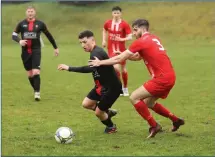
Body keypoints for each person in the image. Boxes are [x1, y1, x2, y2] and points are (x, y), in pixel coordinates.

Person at [89, 19, 185, 138]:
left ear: (138, 29)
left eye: (134, 31)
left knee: (134, 97)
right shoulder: (154, 38)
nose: (133, 34)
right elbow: (138, 57)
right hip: (170, 76)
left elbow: (118, 60)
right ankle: (176, 120)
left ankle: (154, 126)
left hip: (161, 78)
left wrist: (100, 62)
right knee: (148, 102)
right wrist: (125, 54)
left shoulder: (141, 41)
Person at [58, 30, 122, 134]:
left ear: (92, 40)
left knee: (98, 113)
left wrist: (69, 68)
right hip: (101, 86)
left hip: (112, 88)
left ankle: (111, 126)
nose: (83, 45)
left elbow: (88, 69)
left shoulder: (96, 53)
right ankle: (107, 112)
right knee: (86, 104)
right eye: (81, 43)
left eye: (84, 42)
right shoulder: (95, 51)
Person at [12, 6, 59, 101]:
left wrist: (55, 47)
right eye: (28, 11)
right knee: (30, 74)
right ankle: (36, 89)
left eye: (32, 11)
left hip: (36, 50)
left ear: (35, 13)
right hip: (25, 52)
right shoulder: (21, 24)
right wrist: (19, 41)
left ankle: (37, 93)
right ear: (26, 13)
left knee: (36, 72)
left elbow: (49, 35)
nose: (30, 13)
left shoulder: (40, 24)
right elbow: (14, 35)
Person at [102, 6, 132, 96]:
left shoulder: (124, 24)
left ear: (120, 14)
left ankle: (125, 88)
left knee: (123, 70)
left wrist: (121, 39)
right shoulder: (108, 23)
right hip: (111, 49)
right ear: (112, 14)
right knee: (115, 68)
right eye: (114, 13)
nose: (116, 15)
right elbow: (104, 29)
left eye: (118, 13)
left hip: (121, 50)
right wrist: (104, 40)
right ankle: (118, 89)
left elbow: (130, 36)